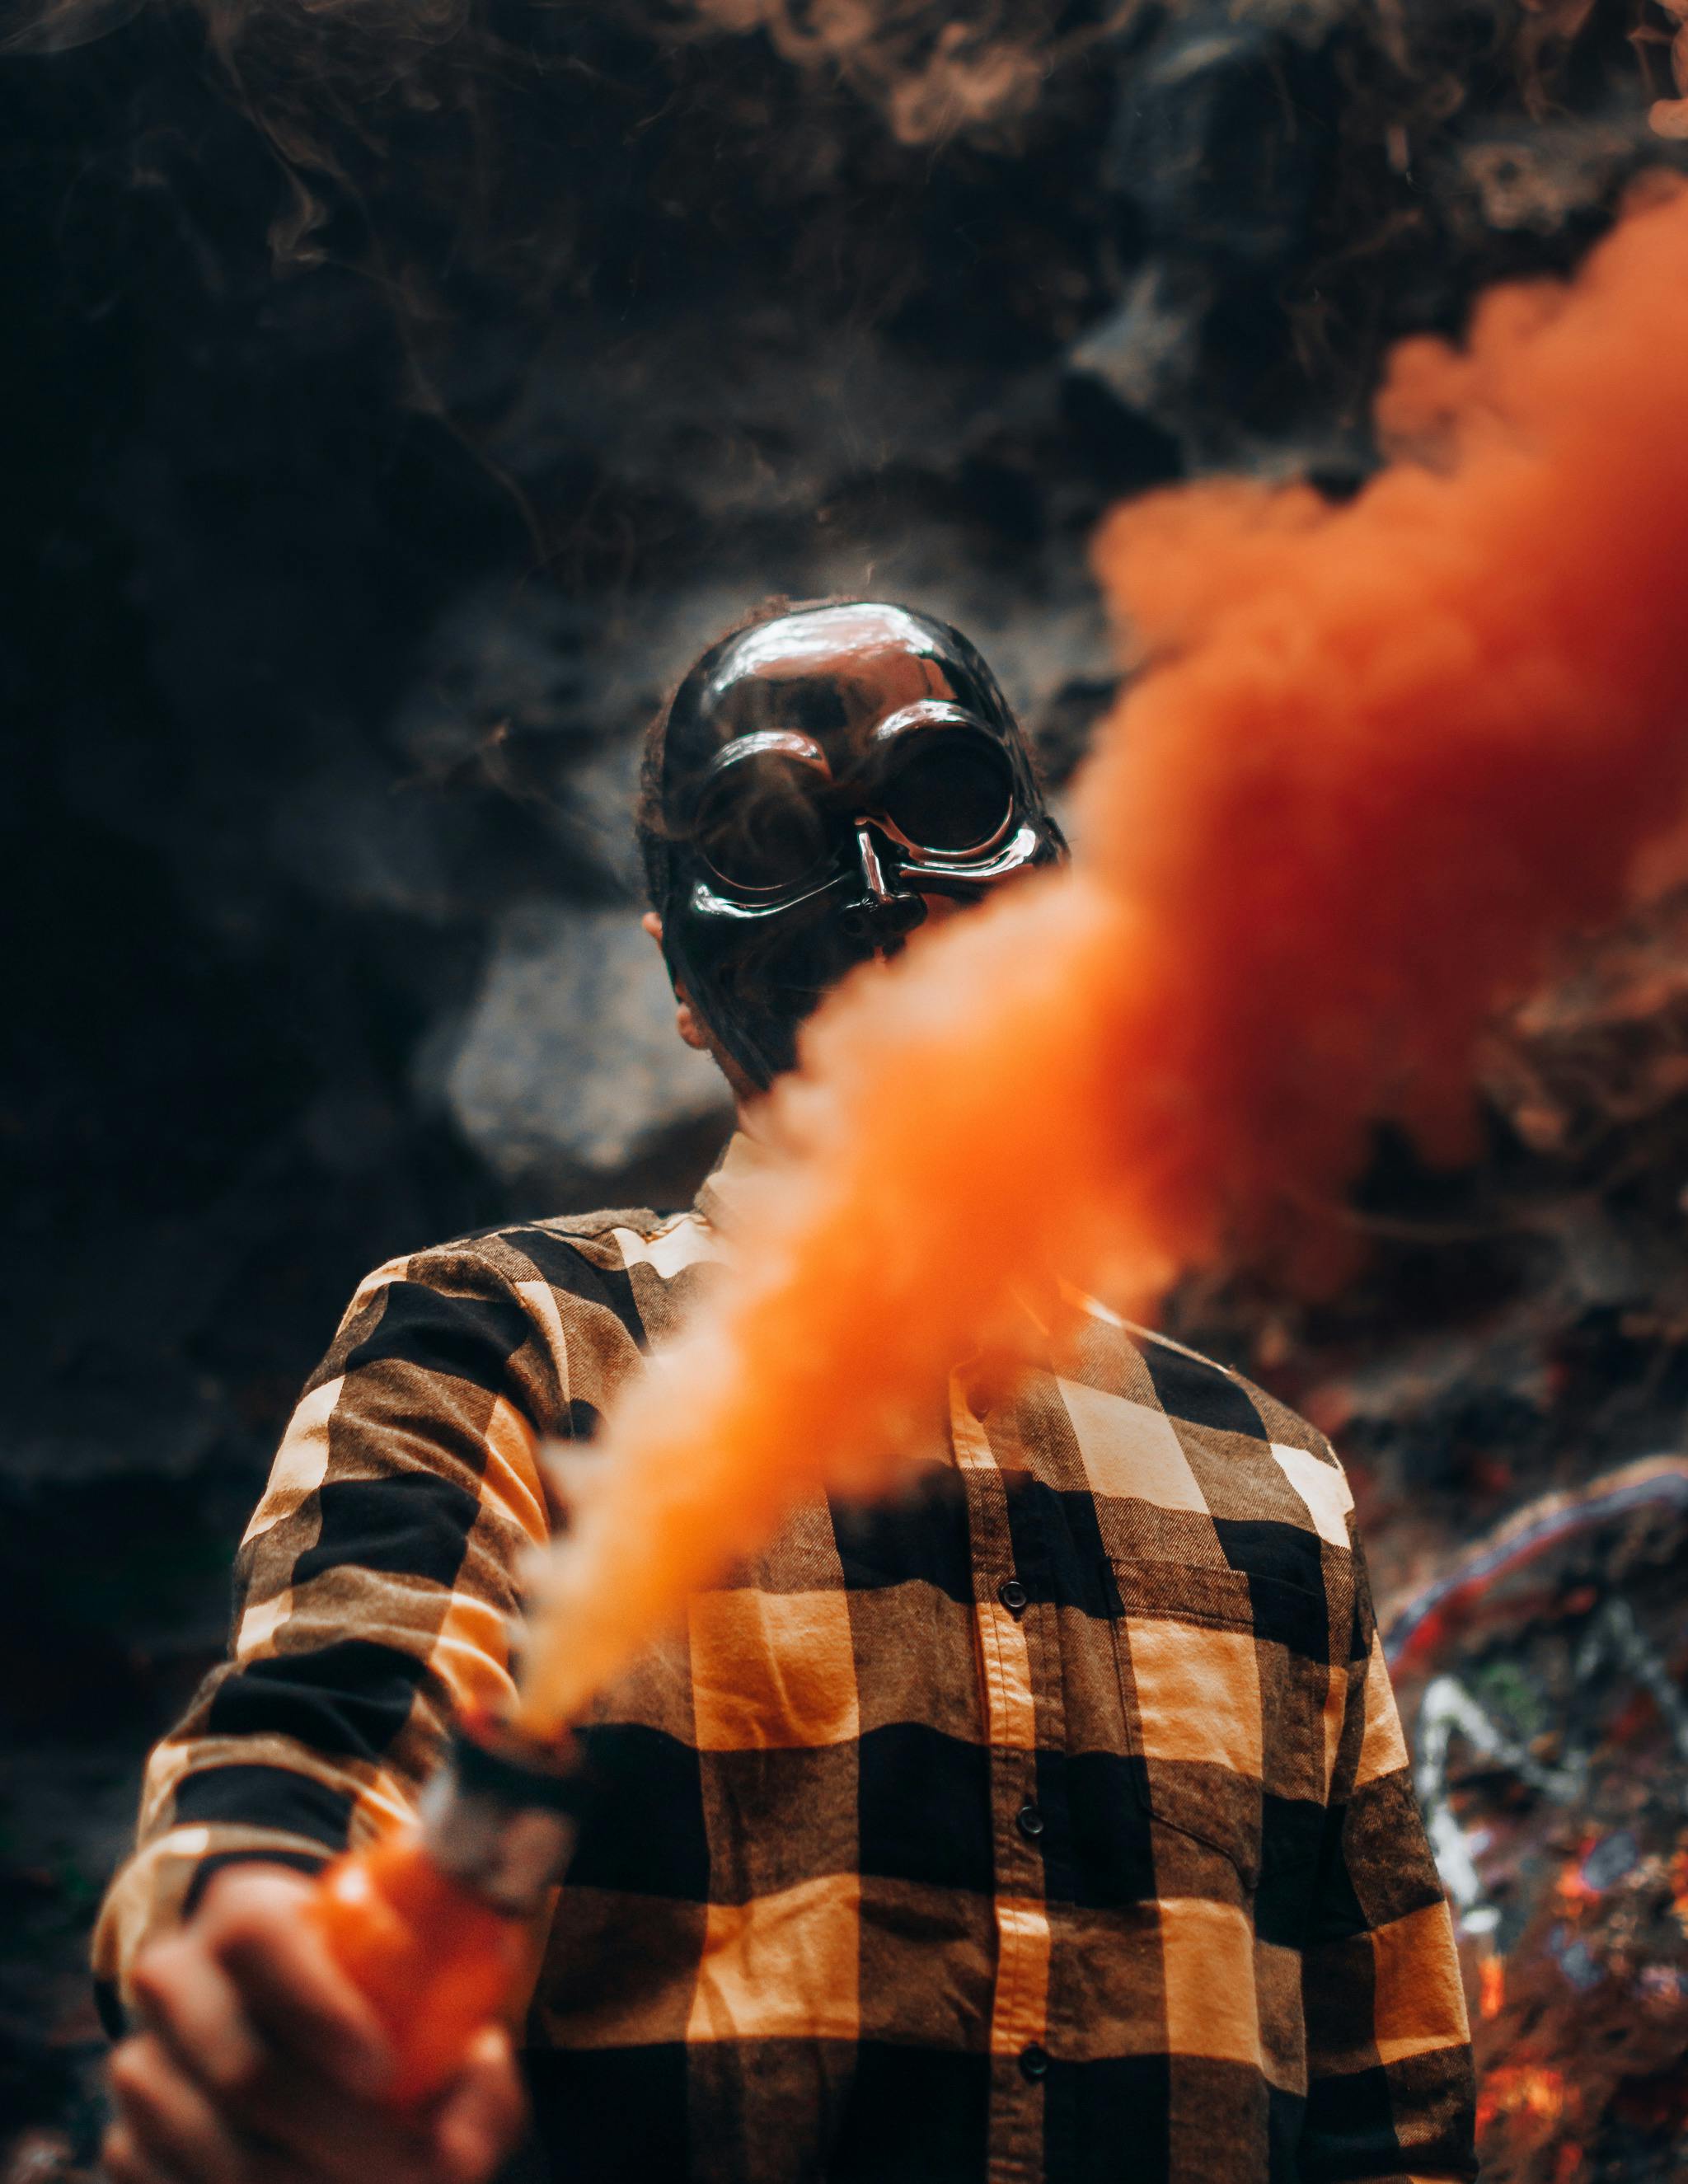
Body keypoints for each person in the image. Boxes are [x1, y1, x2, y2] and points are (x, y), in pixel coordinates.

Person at [96, 600, 1478, 2184]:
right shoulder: (508, 1346)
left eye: (945, 801)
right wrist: (253, 1937)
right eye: (769, 838)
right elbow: (328, 1724)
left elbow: (1395, 2109)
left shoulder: (1265, 1479)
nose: (884, 891)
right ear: (684, 978)